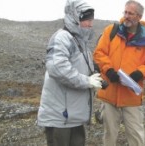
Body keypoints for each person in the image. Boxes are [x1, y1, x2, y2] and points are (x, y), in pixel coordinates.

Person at [93, 0, 145, 145]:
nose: (126, 16)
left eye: (131, 13)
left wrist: (140, 73)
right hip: (110, 94)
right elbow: (99, 53)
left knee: (136, 137)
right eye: (125, 12)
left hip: (132, 97)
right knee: (109, 136)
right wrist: (109, 69)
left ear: (139, 17)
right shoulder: (111, 31)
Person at [37, 0, 102, 145]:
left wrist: (93, 75)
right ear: (74, 17)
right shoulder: (62, 38)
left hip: (74, 115)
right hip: (60, 116)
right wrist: (87, 81)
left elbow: (79, 68)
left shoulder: (81, 42)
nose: (90, 24)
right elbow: (57, 68)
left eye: (91, 20)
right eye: (86, 20)